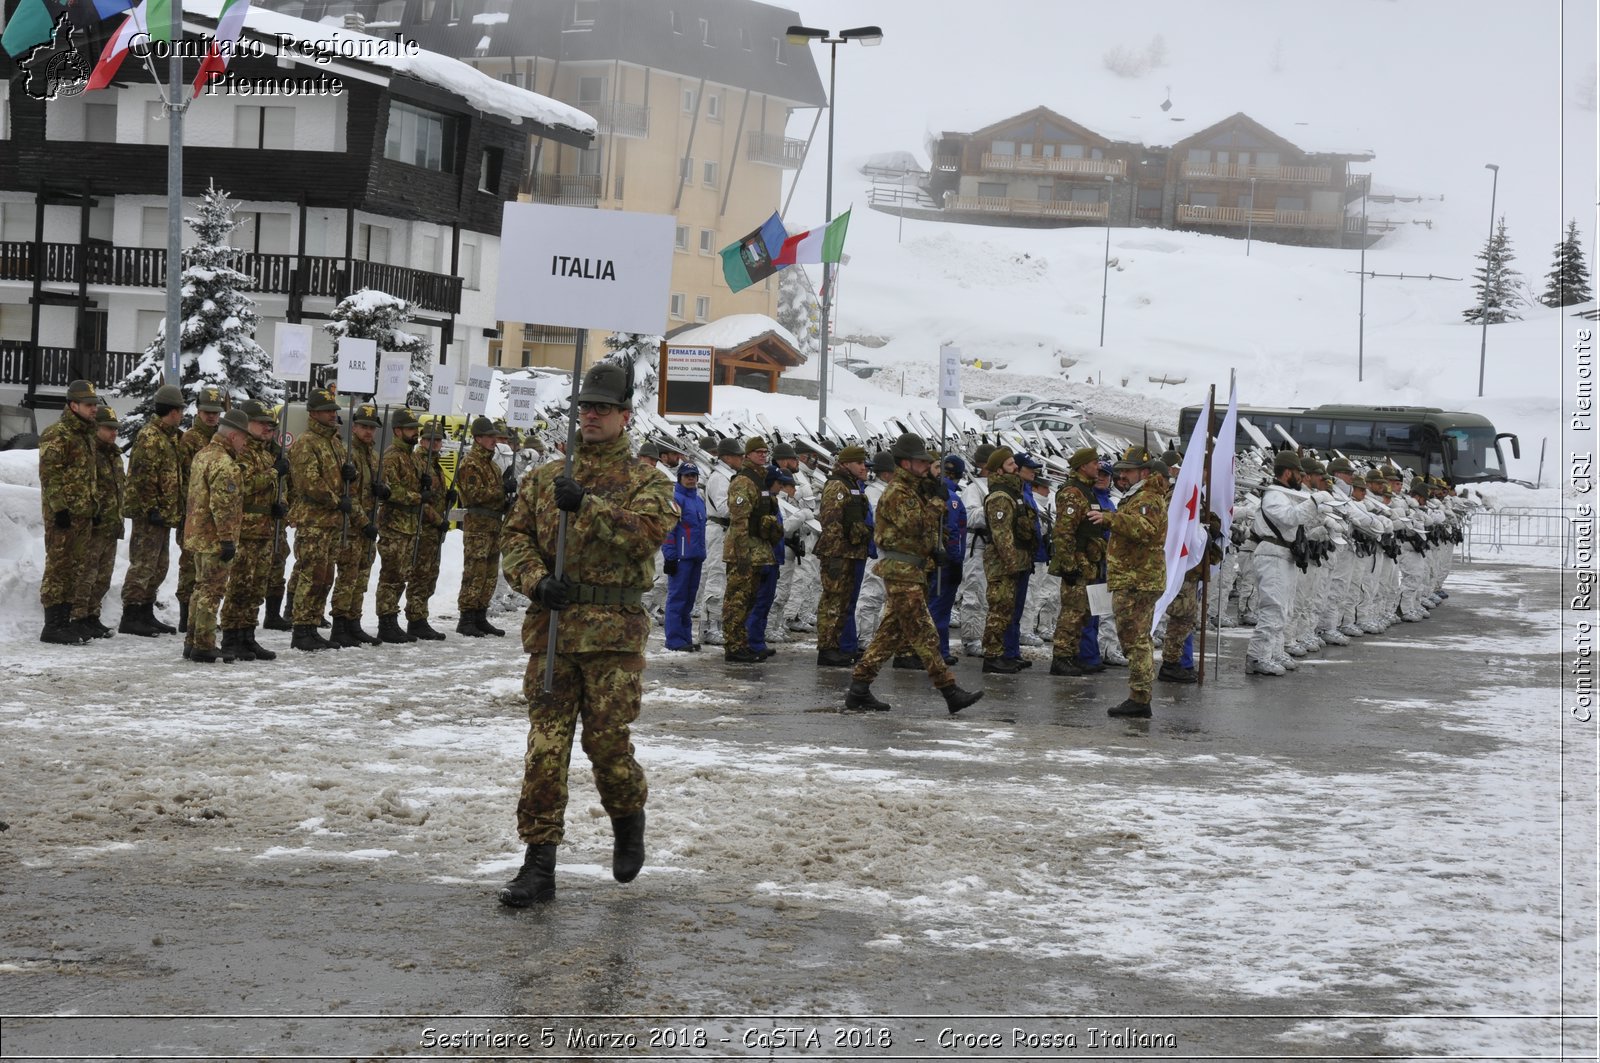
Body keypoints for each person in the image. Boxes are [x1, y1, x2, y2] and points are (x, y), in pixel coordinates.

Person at [497, 362, 677, 907]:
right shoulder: (544, 477)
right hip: (553, 632)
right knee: (545, 749)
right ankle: (539, 865)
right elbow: (515, 538)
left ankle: (628, 817)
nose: (591, 415)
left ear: (625, 415)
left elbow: (646, 535)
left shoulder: (648, 479)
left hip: (613, 639)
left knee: (606, 745)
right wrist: (535, 580)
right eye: (585, 407)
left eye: (602, 408)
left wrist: (590, 506)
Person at [845, 433, 983, 715]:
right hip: (901, 571)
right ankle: (949, 691)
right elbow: (915, 524)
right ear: (905, 463)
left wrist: (936, 548)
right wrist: (936, 502)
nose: (925, 466)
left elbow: (924, 530)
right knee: (924, 632)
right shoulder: (897, 492)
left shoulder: (914, 490)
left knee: (888, 635)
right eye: (921, 462)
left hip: (912, 569)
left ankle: (858, 689)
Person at [1089, 456, 1168, 716]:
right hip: (1134, 577)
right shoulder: (1137, 496)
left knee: (1135, 639)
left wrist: (1111, 519)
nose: (1123, 476)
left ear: (1143, 472)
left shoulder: (1146, 498)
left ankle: (1140, 697)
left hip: (1138, 579)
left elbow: (1145, 529)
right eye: (1121, 472)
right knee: (1134, 638)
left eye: (1128, 471)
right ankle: (1139, 695)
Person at [217, 400, 285, 662]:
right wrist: (272, 473)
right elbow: (243, 484)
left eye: (271, 424)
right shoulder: (241, 452)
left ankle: (247, 635)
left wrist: (281, 505)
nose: (268, 428)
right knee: (239, 587)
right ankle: (231, 637)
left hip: (265, 530)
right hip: (246, 530)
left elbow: (278, 489)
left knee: (256, 587)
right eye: (262, 423)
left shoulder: (267, 453)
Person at [119, 383, 186, 637]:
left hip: (163, 515)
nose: (181, 414)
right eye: (180, 410)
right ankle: (131, 615)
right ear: (172, 411)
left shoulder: (168, 437)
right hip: (150, 516)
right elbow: (142, 476)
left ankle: (145, 613)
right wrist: (150, 508)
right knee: (143, 565)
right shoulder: (151, 436)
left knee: (159, 566)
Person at [38, 379, 101, 645]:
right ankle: (52, 626)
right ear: (73, 405)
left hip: (83, 513)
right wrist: (59, 509)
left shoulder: (86, 434)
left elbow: (88, 476)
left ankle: (65, 623)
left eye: (94, 404)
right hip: (63, 516)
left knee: (75, 568)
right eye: (88, 405)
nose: (94, 409)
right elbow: (50, 475)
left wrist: (94, 506)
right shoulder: (58, 433)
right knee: (58, 568)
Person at [184, 409, 251, 663]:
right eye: (244, 437)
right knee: (212, 592)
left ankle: (192, 641)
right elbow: (223, 505)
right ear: (234, 435)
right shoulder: (225, 463)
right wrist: (226, 539)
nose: (245, 443)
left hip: (198, 535)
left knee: (199, 589)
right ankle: (204, 643)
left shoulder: (203, 455)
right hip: (215, 539)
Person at [1246, 451, 1319, 675]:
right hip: (1272, 555)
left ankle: (1274, 652)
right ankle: (1258, 657)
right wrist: (1315, 502)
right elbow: (1290, 517)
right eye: (1298, 473)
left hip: (1284, 555)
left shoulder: (1284, 494)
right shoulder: (1274, 496)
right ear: (1288, 472)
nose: (1301, 478)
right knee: (1273, 608)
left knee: (1284, 609)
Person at [287, 387, 348, 652]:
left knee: (325, 577)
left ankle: (312, 624)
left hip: (331, 522)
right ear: (313, 413)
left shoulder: (333, 442)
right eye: (326, 411)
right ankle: (301, 629)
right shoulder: (306, 442)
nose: (332, 415)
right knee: (311, 575)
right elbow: (309, 482)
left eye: (333, 410)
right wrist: (336, 500)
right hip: (313, 521)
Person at [174, 385, 226, 637]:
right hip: (193, 512)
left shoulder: (222, 440)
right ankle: (187, 618)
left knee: (209, 570)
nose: (211, 417)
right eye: (207, 411)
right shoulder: (189, 439)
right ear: (198, 410)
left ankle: (202, 618)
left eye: (215, 412)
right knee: (189, 566)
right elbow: (182, 478)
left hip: (213, 515)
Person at [329, 402, 382, 647]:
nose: (368, 432)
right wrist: (363, 523)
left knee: (361, 577)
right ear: (355, 427)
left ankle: (354, 621)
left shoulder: (373, 455)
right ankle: (340, 623)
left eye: (372, 427)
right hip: (353, 526)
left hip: (369, 525)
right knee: (348, 577)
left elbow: (380, 485)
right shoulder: (347, 453)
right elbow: (348, 496)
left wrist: (385, 490)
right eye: (363, 426)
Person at [1048, 447, 1104, 676]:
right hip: (1077, 562)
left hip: (1088, 562)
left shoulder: (1087, 491)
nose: (1098, 467)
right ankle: (1061, 657)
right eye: (1094, 463)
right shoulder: (1073, 492)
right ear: (1083, 466)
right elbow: (1063, 533)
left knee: (1083, 613)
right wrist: (1068, 565)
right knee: (1072, 612)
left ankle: (1072, 655)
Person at [814, 445, 872, 667]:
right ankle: (827, 649)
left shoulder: (853, 485)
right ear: (846, 464)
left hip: (852, 552)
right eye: (859, 463)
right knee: (833, 600)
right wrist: (836, 555)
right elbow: (831, 522)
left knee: (845, 602)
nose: (863, 466)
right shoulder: (837, 485)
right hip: (838, 554)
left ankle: (838, 646)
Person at [721, 436, 778, 664]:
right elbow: (739, 520)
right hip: (743, 552)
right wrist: (742, 552)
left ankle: (742, 643)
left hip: (758, 551)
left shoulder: (760, 480)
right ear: (748, 455)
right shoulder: (744, 481)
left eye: (765, 452)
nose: (763, 455)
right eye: (758, 452)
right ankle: (733, 646)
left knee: (750, 599)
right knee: (736, 600)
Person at [375, 408, 428, 645]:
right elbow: (389, 491)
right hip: (394, 525)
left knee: (402, 574)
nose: (415, 433)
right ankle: (386, 622)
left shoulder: (413, 457)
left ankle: (392, 618)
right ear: (397, 431)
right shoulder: (392, 457)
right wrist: (417, 497)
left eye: (415, 429)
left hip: (409, 525)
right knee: (391, 574)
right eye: (409, 429)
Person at [73, 404, 126, 640]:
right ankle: (78, 617)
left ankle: (93, 616)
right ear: (96, 428)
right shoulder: (91, 453)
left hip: (110, 525)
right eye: (108, 428)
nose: (113, 433)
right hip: (94, 525)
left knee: (103, 576)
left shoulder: (114, 455)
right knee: (87, 574)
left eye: (115, 428)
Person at [455, 415, 511, 637]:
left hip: (493, 525)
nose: (493, 440)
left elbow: (495, 497)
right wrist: (501, 490)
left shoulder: (492, 466)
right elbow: (475, 495)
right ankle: (466, 616)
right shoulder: (470, 464)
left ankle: (480, 614)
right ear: (478, 438)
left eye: (494, 436)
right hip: (478, 527)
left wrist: (508, 498)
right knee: (475, 571)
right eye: (489, 437)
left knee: (489, 573)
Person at [980, 447, 1033, 674]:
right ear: (1000, 469)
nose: (1016, 468)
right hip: (1003, 564)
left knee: (1008, 611)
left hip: (1017, 562)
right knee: (999, 610)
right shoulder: (1000, 497)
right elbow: (1001, 536)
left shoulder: (1014, 494)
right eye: (1011, 464)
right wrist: (1011, 563)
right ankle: (992, 656)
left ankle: (1004, 653)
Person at [406, 420, 450, 641]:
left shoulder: (435, 464)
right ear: (422, 440)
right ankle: (415, 618)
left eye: (438, 440)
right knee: (420, 574)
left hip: (434, 532)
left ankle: (421, 615)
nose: (434, 444)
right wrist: (437, 519)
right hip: (423, 528)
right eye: (430, 440)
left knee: (430, 574)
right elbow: (420, 501)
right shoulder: (419, 463)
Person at [697, 436, 743, 646]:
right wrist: (745, 506)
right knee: (715, 577)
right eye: (737, 455)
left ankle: (717, 623)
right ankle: (708, 626)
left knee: (724, 578)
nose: (741, 459)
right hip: (718, 529)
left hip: (726, 530)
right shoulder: (719, 478)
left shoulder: (730, 476)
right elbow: (724, 508)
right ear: (727, 457)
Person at [662, 462, 706, 651]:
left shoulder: (699, 500)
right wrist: (670, 556)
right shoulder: (674, 500)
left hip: (695, 556)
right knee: (677, 598)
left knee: (689, 600)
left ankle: (685, 637)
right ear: (679, 477)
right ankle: (674, 640)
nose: (691, 479)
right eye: (687, 475)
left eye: (693, 475)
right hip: (680, 557)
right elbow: (668, 530)